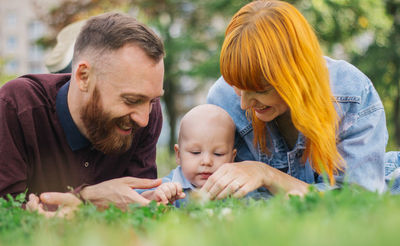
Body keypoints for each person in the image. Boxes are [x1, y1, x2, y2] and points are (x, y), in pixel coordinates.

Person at [203, 0, 400, 200]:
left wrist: (266, 174)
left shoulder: (351, 95)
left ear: (296, 76)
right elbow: (198, 180)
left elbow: (358, 200)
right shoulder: (223, 101)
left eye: (260, 90)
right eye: (237, 86)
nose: (244, 104)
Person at [0, 12, 166, 217]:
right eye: (131, 100)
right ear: (83, 77)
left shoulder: (147, 115)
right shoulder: (16, 106)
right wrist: (89, 197)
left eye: (152, 100)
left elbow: (141, 213)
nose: (144, 119)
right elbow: (6, 211)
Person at [141, 104, 237, 207]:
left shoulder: (235, 188)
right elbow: (132, 200)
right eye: (195, 152)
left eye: (218, 154)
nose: (207, 161)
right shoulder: (167, 186)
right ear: (178, 155)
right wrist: (153, 197)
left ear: (232, 158)